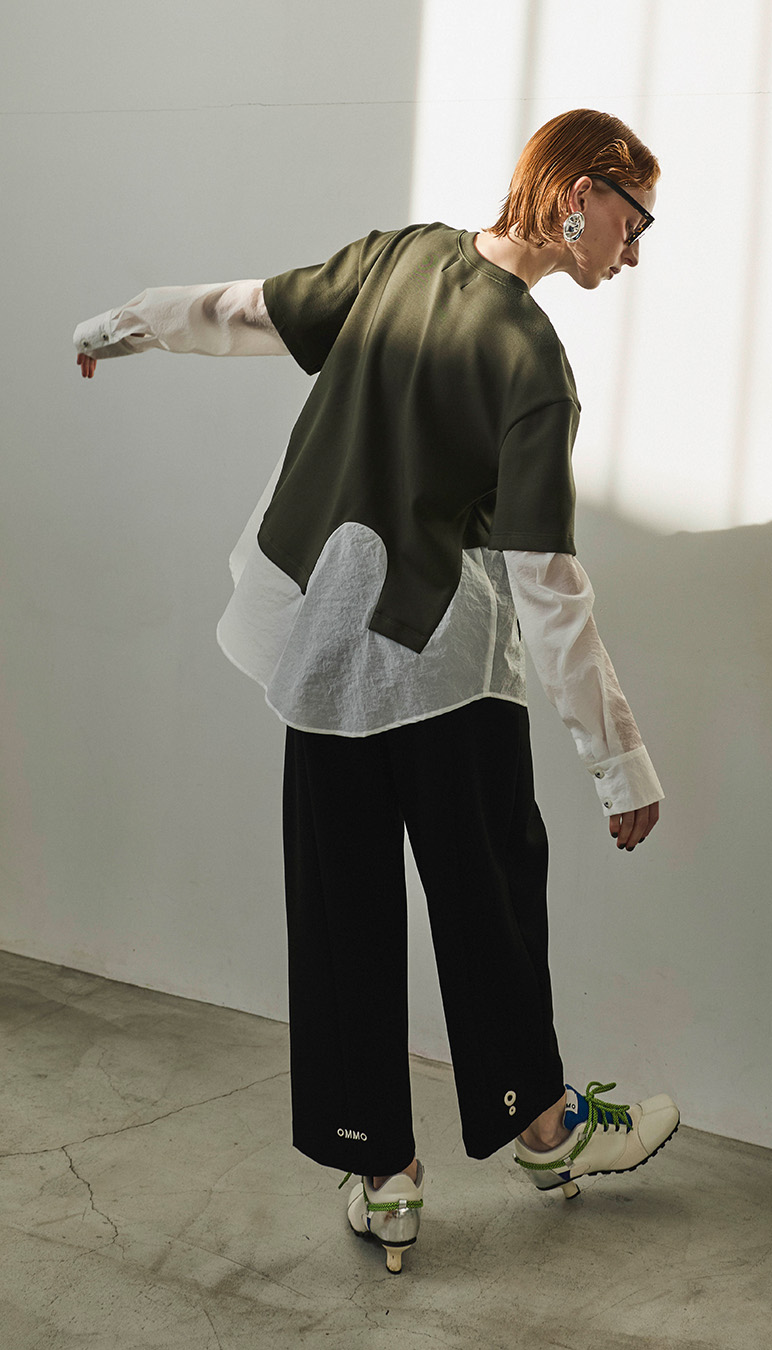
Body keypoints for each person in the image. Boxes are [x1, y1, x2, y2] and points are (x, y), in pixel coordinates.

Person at [75, 108, 679, 1275]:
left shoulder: (402, 258)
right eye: (636, 219)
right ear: (581, 195)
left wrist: (123, 323)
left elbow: (249, 309)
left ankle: (384, 1174)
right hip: (447, 668)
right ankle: (545, 1129)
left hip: (326, 660)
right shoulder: (533, 363)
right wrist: (620, 764)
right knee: (490, 897)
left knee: (340, 912)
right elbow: (548, 586)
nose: (635, 249)